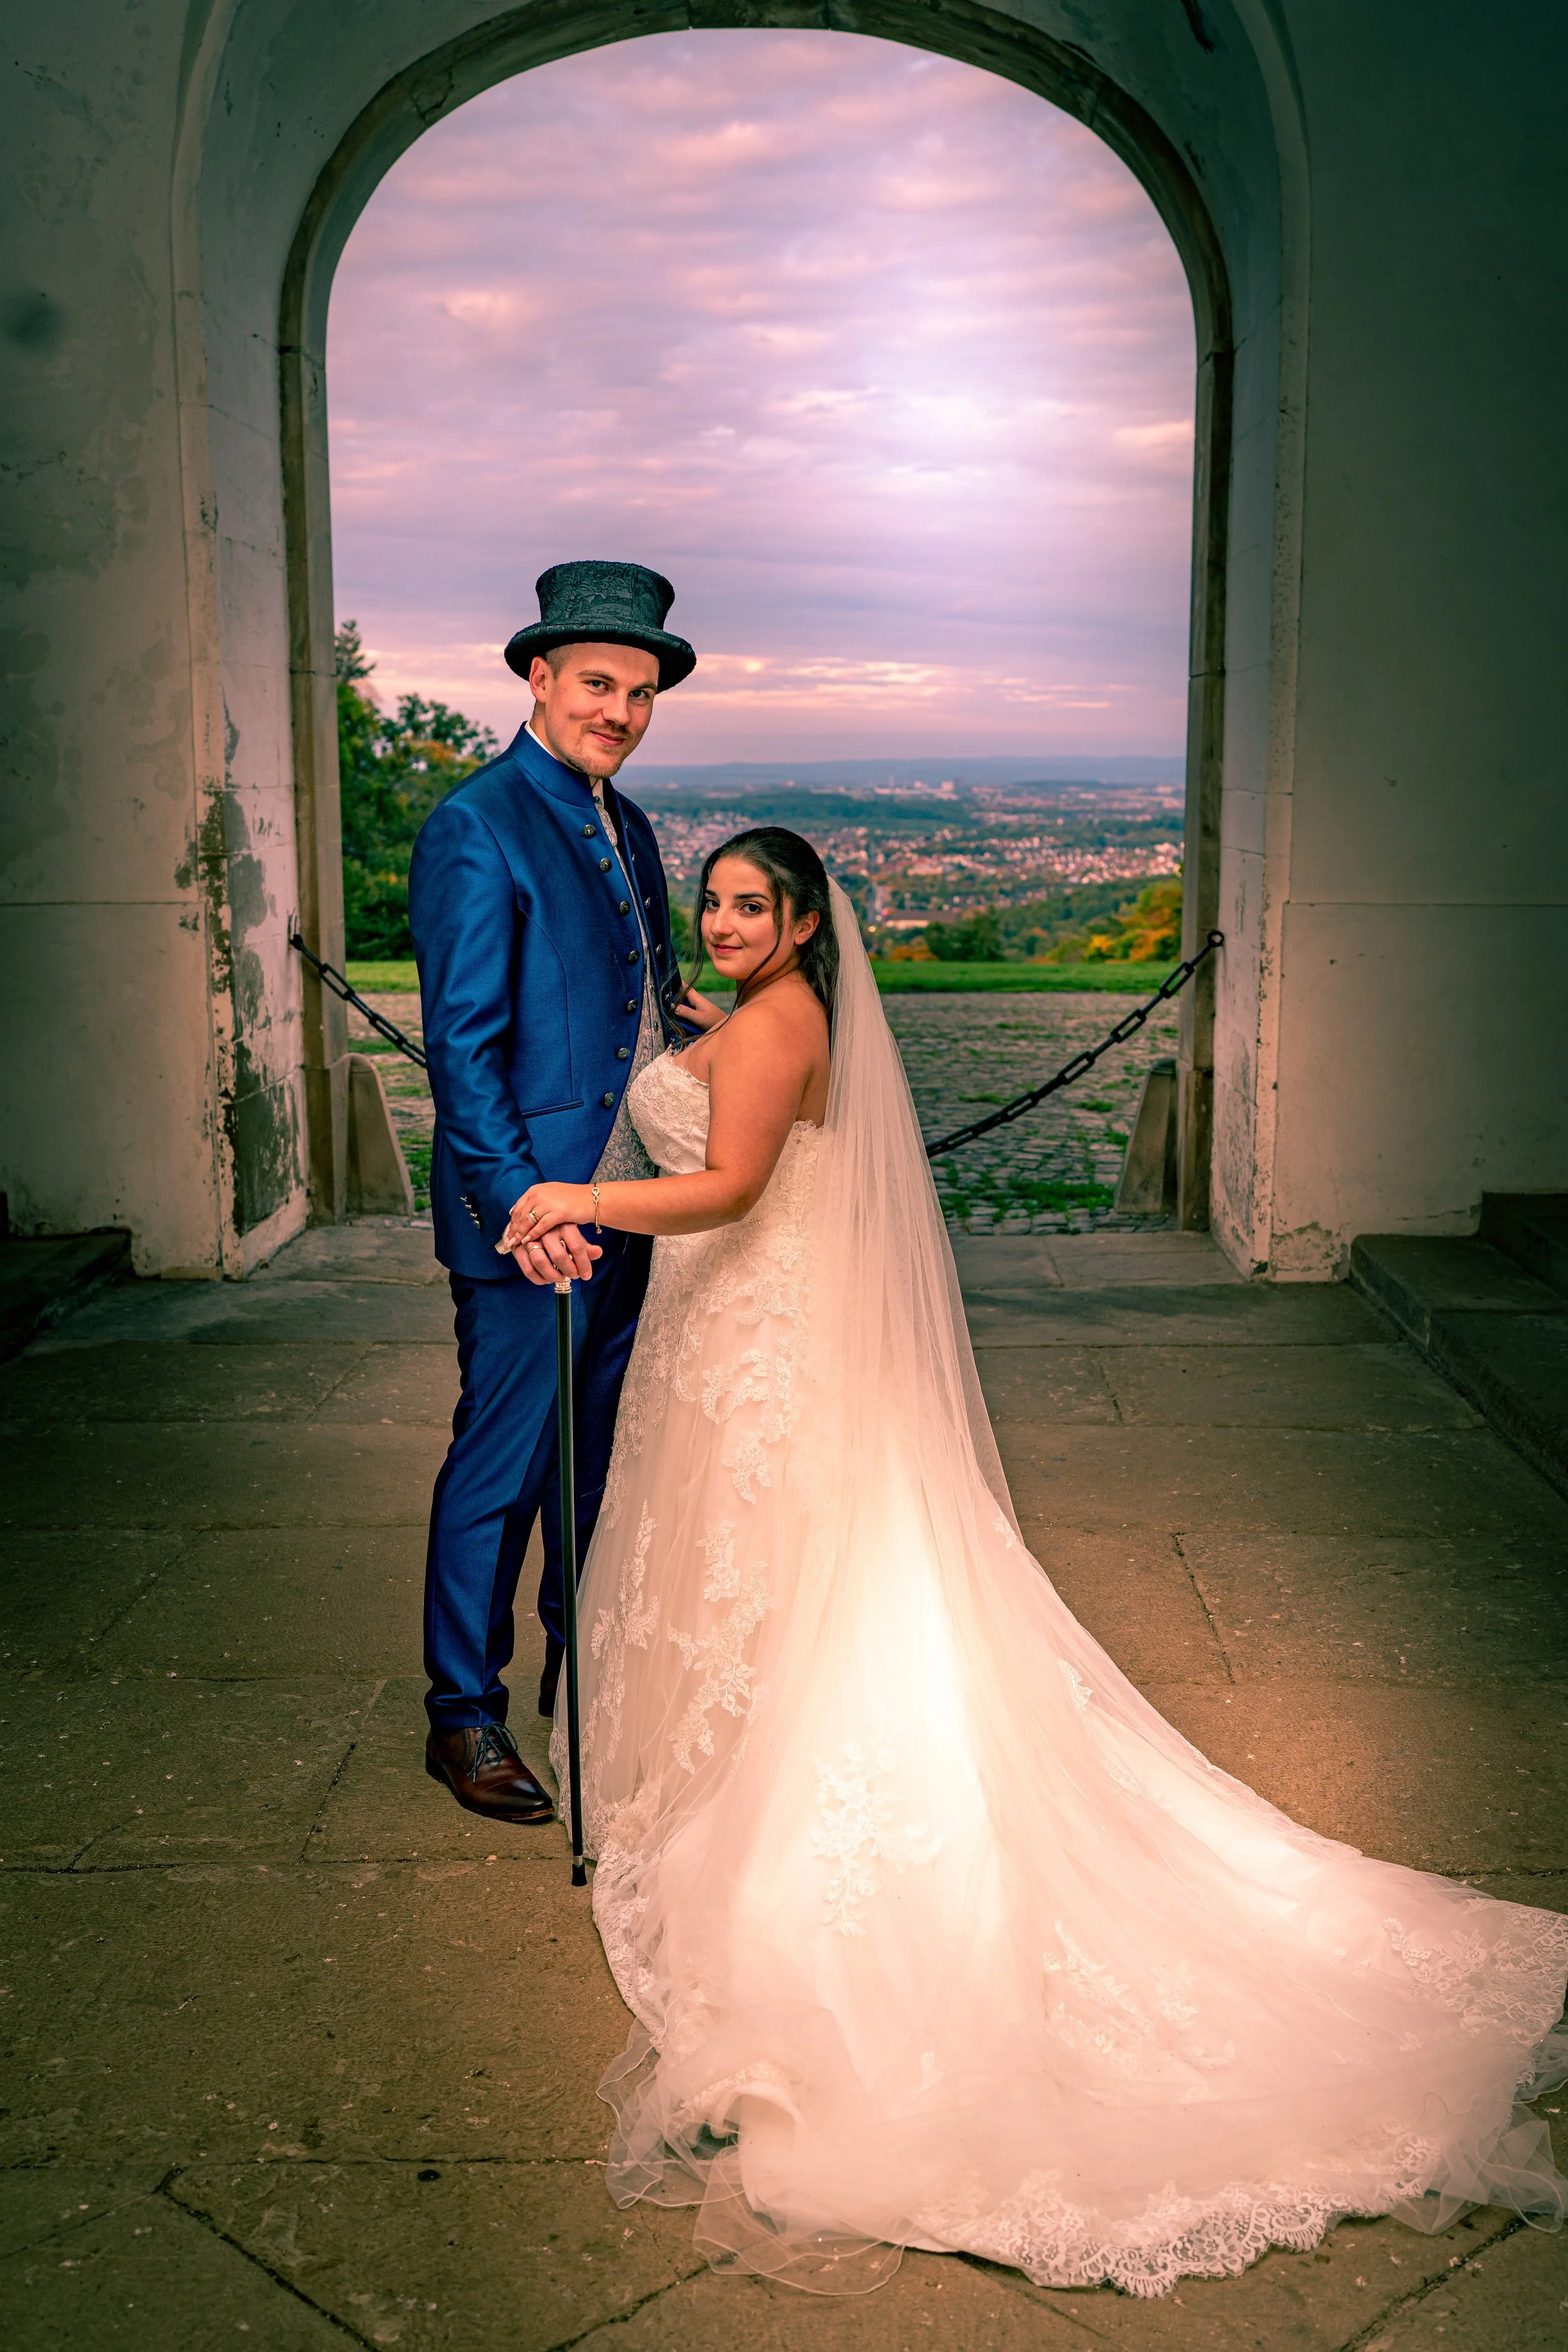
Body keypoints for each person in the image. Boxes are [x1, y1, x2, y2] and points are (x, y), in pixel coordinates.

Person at [507, 829, 1568, 2297]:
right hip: (741, 1340)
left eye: (755, 909)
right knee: (762, 1574)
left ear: (809, 922)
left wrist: (580, 1199)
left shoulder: (782, 1024)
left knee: (793, 1579)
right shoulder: (767, 1018)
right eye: (717, 908)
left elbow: (732, 1190)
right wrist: (715, 1031)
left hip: (749, 1326)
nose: (727, 926)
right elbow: (757, 1097)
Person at [408, 559, 703, 1824]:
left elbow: (644, 998)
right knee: (505, 1463)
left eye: (639, 694)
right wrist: (523, 1209)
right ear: (538, 676)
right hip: (535, 1224)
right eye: (598, 685)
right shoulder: (478, 823)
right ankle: (461, 1716)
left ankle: (579, 1668)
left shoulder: (622, 821)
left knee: (601, 1466)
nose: (620, 713)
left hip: (629, 1211)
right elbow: (461, 1047)